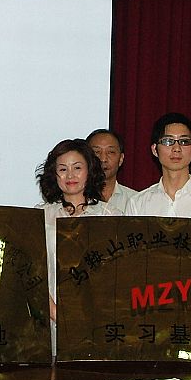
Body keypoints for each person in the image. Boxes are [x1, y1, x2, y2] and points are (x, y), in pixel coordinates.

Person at [35, 138, 121, 357]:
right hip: (51, 321)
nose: (70, 175)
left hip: (99, 323)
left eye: (77, 168)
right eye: (62, 169)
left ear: (89, 171)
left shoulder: (110, 216)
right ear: (54, 175)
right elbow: (33, 274)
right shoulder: (40, 216)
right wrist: (56, 313)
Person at [127, 112, 191, 220]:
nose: (176, 148)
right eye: (168, 141)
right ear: (154, 150)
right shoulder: (137, 203)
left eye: (184, 141)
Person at [86, 128, 138, 213]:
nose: (103, 159)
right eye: (96, 152)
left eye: (110, 152)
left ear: (121, 159)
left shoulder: (135, 200)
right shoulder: (76, 200)